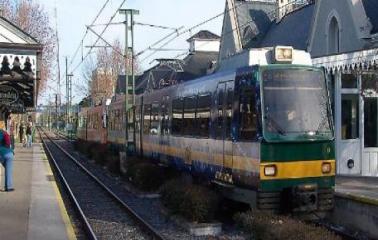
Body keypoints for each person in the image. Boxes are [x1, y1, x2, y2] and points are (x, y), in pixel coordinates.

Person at [0, 125, 14, 192]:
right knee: (8, 170)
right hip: (10, 153)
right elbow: (9, 143)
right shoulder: (5, 133)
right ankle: (9, 187)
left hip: (1, 153)